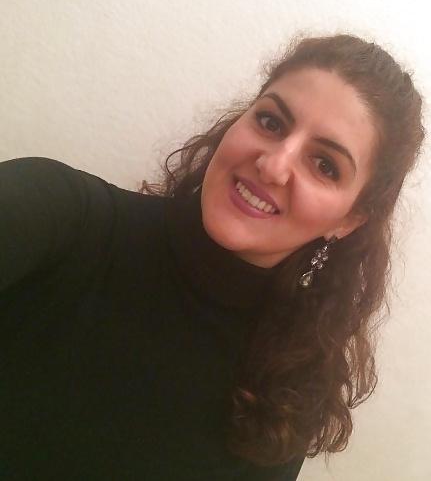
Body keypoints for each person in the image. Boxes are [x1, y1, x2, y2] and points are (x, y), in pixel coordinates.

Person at [0, 34, 424, 480]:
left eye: (324, 165)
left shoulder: (287, 389)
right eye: (271, 122)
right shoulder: (60, 215)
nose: (273, 166)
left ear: (349, 219)